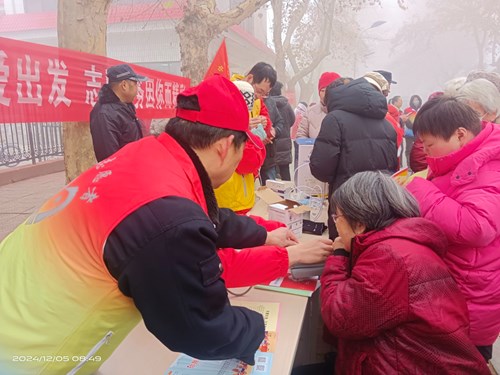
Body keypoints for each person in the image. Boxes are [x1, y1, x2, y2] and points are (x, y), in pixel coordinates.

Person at [0, 76, 334, 374]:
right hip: (29, 352)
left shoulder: (150, 155)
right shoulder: (169, 220)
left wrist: (263, 234)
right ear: (224, 147)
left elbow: (207, 216)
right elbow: (201, 328)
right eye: (242, 149)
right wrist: (258, 328)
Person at [319, 171, 490, 375]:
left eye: (337, 217)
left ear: (359, 224)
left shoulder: (388, 257)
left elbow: (340, 317)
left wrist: (339, 255)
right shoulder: (400, 244)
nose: (336, 224)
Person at [406, 96, 500, 363]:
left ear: (460, 134)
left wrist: (422, 192)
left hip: (471, 302)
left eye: (430, 144)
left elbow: (478, 226)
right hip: (453, 294)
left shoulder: (490, 166)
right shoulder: (464, 156)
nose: (424, 151)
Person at [310, 75, 398, 240]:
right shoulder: (387, 124)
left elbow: (321, 169)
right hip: (381, 204)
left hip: (347, 206)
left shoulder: (334, 120)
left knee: (344, 256)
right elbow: (393, 167)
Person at [90, 64, 147, 162]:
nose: (137, 90)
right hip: (122, 174)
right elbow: (109, 158)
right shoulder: (104, 114)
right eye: (135, 84)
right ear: (124, 85)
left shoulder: (125, 107)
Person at [296, 71, 340, 139]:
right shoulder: (309, 112)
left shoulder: (346, 112)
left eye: (329, 90)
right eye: (322, 90)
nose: (325, 94)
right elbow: (301, 134)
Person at [269, 81, 295, 181]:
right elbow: (292, 120)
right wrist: (286, 127)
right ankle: (287, 194)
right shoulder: (286, 105)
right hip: (285, 144)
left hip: (272, 144)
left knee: (271, 174)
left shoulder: (268, 104)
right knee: (285, 172)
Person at [403, 94, 422, 168]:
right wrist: (413, 126)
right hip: (410, 133)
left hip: (419, 133)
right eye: (414, 100)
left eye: (417, 100)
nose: (416, 101)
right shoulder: (407, 110)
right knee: (409, 149)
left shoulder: (421, 110)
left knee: (418, 149)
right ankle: (409, 165)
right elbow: (406, 121)